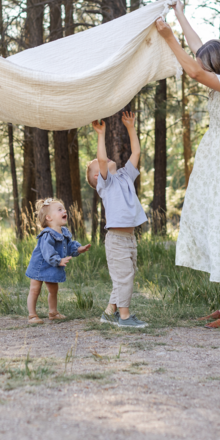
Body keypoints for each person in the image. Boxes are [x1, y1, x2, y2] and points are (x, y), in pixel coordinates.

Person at [154, 0, 220, 328]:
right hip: (218, 158)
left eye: (205, 65)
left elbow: (195, 69)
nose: (201, 69)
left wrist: (170, 37)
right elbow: (199, 49)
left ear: (216, 65)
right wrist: (180, 13)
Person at [87, 112, 149, 328]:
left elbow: (136, 151)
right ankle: (124, 317)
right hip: (116, 240)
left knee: (124, 277)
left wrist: (130, 127)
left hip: (130, 238)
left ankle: (109, 312)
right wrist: (101, 134)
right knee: (125, 278)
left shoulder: (125, 175)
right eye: (99, 165)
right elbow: (102, 159)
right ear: (98, 176)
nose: (105, 161)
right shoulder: (106, 184)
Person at [25, 198, 91, 324]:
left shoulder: (64, 232)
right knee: (34, 289)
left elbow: (69, 246)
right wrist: (58, 260)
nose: (64, 211)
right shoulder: (47, 234)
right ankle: (32, 315)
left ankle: (53, 312)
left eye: (64, 209)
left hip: (52, 266)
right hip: (40, 266)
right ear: (49, 217)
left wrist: (79, 248)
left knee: (53, 290)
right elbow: (47, 252)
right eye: (60, 209)